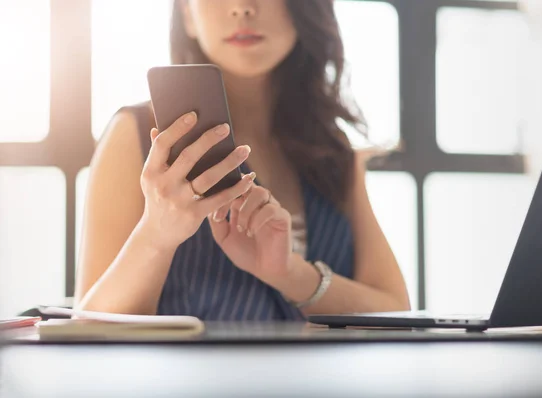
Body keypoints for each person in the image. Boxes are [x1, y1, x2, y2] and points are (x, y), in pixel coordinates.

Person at [74, 0, 411, 320]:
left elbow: (395, 310)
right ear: (187, 13)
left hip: (324, 382)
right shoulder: (138, 135)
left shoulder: (333, 152)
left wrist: (290, 273)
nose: (242, 7)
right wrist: (156, 236)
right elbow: (86, 330)